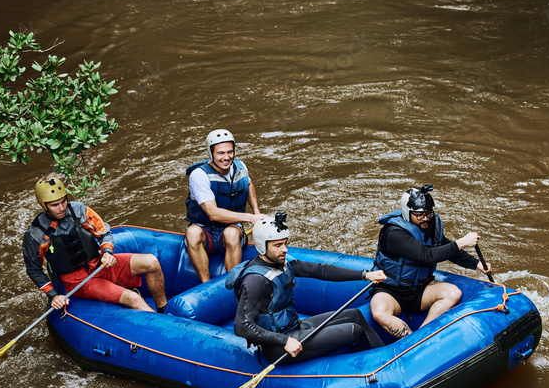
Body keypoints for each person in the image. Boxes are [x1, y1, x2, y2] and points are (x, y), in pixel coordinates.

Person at [227, 213, 388, 364]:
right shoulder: (256, 281)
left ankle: (383, 357)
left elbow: (320, 270)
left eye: (285, 243)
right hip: (279, 347)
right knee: (354, 331)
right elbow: (242, 326)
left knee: (355, 315)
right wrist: (284, 341)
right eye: (278, 245)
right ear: (261, 247)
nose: (285, 249)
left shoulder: (282, 263)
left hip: (295, 328)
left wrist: (365, 275)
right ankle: (371, 367)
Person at [23, 175, 167, 312]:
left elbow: (103, 232)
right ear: (43, 204)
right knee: (133, 298)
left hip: (100, 264)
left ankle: (163, 311)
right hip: (78, 281)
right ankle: (165, 330)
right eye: (55, 205)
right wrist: (53, 295)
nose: (61, 208)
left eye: (63, 201)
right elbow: (34, 269)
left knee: (151, 262)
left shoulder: (79, 210)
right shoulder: (36, 234)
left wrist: (107, 252)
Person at [370, 184, 492, 340]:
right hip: (390, 291)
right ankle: (410, 341)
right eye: (420, 215)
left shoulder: (430, 224)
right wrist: (463, 241)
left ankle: (421, 337)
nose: (426, 218)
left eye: (428, 213)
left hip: (419, 290)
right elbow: (426, 255)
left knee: (453, 293)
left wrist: (476, 264)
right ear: (408, 212)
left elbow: (444, 246)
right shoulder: (393, 233)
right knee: (379, 311)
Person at [185, 128, 264, 282]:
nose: (226, 157)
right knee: (192, 233)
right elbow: (212, 213)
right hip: (205, 228)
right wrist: (250, 217)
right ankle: (206, 285)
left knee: (232, 234)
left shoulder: (240, 167)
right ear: (211, 153)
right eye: (221, 153)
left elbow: (249, 186)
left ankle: (232, 283)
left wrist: (256, 212)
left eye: (230, 152)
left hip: (231, 228)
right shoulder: (199, 175)